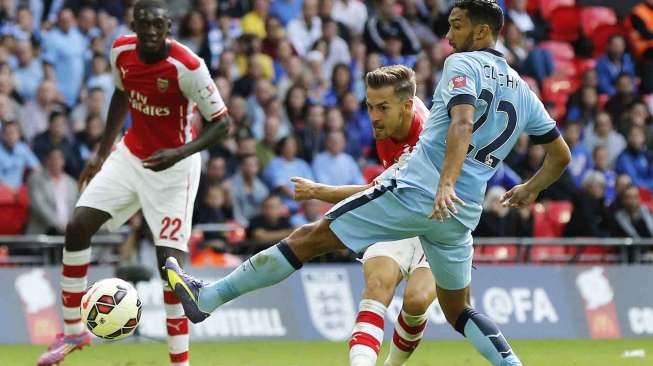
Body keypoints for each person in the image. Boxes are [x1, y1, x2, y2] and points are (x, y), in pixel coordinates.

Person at [166, 2, 571, 366]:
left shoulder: (461, 64)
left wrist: (445, 182)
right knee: (459, 310)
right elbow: (560, 156)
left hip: (421, 189)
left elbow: (462, 122)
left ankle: (208, 298)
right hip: (462, 212)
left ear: (482, 32)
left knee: (312, 235)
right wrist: (531, 188)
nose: (448, 36)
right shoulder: (523, 90)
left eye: (457, 26)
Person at [37, 1, 231, 366]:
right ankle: (74, 331)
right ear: (135, 25)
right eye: (145, 24)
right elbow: (121, 93)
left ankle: (180, 362)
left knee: (169, 266)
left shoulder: (188, 67)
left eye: (158, 24)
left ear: (168, 25)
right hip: (131, 154)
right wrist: (101, 153)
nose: (152, 31)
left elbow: (222, 123)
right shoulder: (121, 50)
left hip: (175, 168)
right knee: (77, 226)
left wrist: (178, 153)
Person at [294, 65, 435, 366]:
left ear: (405, 105)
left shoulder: (425, 140)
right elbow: (384, 188)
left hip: (437, 227)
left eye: (381, 107)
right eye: (370, 107)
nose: (373, 116)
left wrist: (319, 190)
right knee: (376, 287)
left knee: (416, 302)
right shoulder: (387, 126)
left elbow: (375, 188)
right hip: (398, 220)